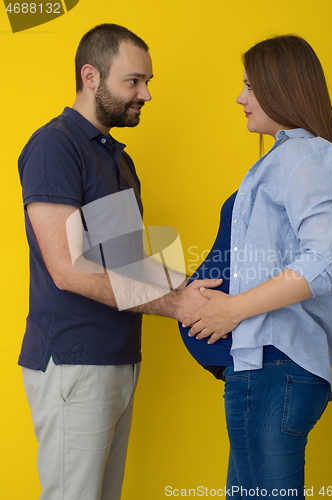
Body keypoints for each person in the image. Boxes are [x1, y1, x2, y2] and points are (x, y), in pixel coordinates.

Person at [18, 23, 221, 500]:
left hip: (118, 359)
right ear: (91, 76)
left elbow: (129, 263)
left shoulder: (115, 158)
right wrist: (176, 306)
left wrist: (207, 291)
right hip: (75, 361)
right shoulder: (55, 146)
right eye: (134, 81)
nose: (146, 94)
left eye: (147, 82)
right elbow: (68, 269)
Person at [180, 35, 332, 499]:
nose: (240, 97)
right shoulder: (282, 157)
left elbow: (326, 260)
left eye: (250, 86)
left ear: (282, 87)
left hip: (272, 369)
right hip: (262, 370)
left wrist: (232, 310)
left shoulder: (305, 155)